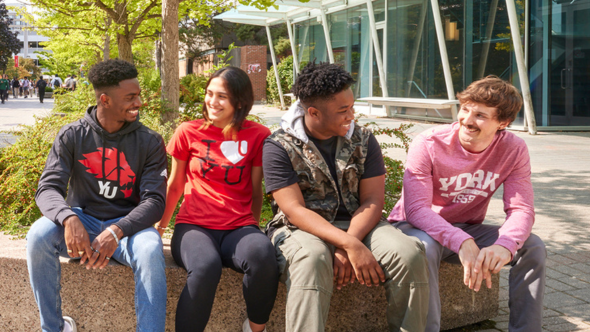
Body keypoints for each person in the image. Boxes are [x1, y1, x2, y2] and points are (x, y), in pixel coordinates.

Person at [263, 62, 429, 332]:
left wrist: (347, 244)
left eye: (352, 107)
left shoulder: (363, 140)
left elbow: (373, 201)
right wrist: (350, 246)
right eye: (343, 110)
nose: (351, 115)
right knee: (312, 259)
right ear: (313, 112)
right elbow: (294, 210)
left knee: (408, 254)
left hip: (361, 223)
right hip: (301, 229)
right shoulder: (279, 146)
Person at [388, 76, 546, 332]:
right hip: (415, 226)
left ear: (503, 123)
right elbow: (416, 209)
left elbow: (521, 209)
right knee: (424, 248)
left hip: (465, 228)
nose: (467, 120)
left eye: (480, 116)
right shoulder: (429, 143)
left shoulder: (513, 149)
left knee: (532, 246)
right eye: (465, 109)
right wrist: (459, 240)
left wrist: (505, 245)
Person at [26, 59, 168, 332]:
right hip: (83, 220)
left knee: (150, 250)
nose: (139, 102)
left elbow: (154, 201)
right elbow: (48, 188)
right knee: (37, 237)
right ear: (105, 99)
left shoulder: (150, 141)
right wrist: (67, 218)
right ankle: (52, 328)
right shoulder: (72, 135)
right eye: (130, 97)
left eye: (138, 95)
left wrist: (117, 230)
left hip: (130, 228)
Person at [156, 66, 278, 332]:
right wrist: (161, 226)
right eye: (209, 94)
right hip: (194, 228)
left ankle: (256, 328)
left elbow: (256, 190)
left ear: (240, 102)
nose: (212, 101)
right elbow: (175, 185)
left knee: (262, 255)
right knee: (205, 266)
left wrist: (252, 230)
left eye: (221, 96)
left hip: (239, 227)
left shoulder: (258, 135)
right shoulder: (188, 131)